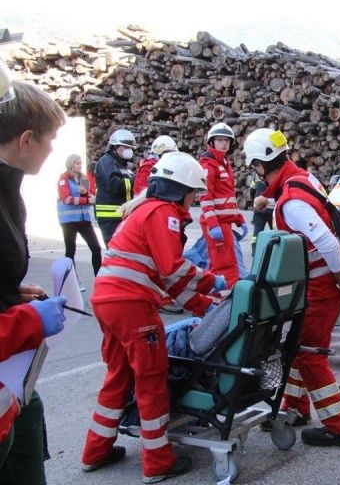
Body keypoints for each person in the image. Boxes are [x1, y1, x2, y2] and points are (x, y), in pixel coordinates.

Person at [81, 152, 227, 483]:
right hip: (132, 306)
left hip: (109, 301)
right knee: (152, 379)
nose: (194, 201)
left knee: (119, 375)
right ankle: (158, 462)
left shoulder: (145, 211)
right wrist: (212, 280)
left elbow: (169, 282)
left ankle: (96, 450)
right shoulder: (165, 213)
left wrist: (206, 306)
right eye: (194, 194)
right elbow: (173, 269)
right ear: (182, 190)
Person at [246, 128, 340, 448]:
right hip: (323, 279)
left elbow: (323, 239)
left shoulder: (290, 202)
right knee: (296, 345)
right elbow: (311, 210)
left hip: (323, 284)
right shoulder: (300, 178)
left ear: (259, 165)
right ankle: (296, 409)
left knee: (311, 353)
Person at [0, 74, 68, 484]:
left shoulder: (8, 189)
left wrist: (9, 293)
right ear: (26, 140)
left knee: (31, 408)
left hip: (9, 392)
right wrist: (28, 321)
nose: (54, 149)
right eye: (50, 139)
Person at [198, 122, 247, 288]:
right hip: (217, 223)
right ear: (211, 142)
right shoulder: (208, 164)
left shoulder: (224, 163)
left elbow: (229, 196)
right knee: (226, 266)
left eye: (226, 140)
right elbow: (205, 197)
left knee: (217, 265)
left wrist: (239, 218)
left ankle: (212, 300)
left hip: (224, 222)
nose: (224, 143)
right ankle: (227, 305)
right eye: (219, 140)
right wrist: (213, 225)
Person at [57, 154, 102, 277]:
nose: (80, 165)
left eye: (81, 163)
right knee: (70, 250)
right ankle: (72, 281)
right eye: (77, 163)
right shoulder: (63, 179)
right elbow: (66, 198)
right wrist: (87, 200)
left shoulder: (84, 178)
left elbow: (89, 195)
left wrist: (87, 194)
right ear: (70, 165)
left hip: (84, 219)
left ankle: (98, 278)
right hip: (69, 220)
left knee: (96, 248)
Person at [94, 128, 136, 245]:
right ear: (115, 147)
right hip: (110, 217)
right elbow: (114, 185)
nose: (129, 150)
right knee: (115, 250)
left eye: (131, 148)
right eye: (126, 147)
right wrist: (134, 181)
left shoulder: (122, 165)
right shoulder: (106, 162)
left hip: (122, 215)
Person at [248, 175, 273, 256]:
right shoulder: (276, 174)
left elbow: (252, 190)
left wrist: (255, 200)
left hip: (258, 208)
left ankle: (255, 251)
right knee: (275, 231)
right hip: (272, 208)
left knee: (257, 232)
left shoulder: (256, 175)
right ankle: (276, 251)